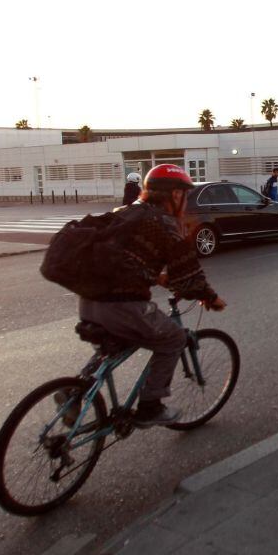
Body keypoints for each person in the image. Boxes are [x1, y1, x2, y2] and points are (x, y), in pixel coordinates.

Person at [75, 164, 225, 427]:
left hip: (89, 301)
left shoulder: (125, 212)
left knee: (117, 343)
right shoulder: (164, 223)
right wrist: (210, 297)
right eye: (183, 194)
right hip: (121, 306)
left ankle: (75, 392)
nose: (184, 201)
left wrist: (159, 277)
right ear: (174, 195)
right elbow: (188, 272)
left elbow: (125, 259)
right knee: (174, 339)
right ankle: (150, 407)